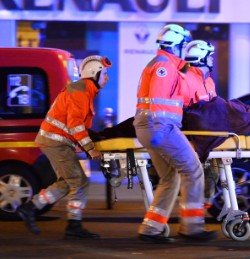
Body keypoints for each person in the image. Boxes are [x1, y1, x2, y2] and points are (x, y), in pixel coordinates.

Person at [133, 24, 218, 243]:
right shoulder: (165, 66)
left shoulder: (165, 65)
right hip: (160, 128)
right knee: (193, 170)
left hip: (150, 127)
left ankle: (150, 229)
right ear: (177, 45)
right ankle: (192, 228)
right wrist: (161, 132)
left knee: (169, 178)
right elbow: (158, 100)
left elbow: (179, 97)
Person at [16, 55, 112, 239]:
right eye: (104, 73)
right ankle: (73, 225)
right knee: (80, 181)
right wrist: (90, 148)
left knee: (68, 183)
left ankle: (30, 208)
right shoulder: (81, 91)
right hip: (56, 142)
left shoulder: (86, 90)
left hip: (56, 141)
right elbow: (75, 125)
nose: (106, 77)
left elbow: (79, 125)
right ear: (94, 73)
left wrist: (89, 140)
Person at [181, 40, 250, 207]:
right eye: (209, 56)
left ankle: (205, 200)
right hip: (199, 130)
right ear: (201, 59)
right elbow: (190, 113)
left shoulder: (208, 81)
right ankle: (201, 205)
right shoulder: (186, 81)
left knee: (245, 110)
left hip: (211, 129)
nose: (212, 59)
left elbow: (216, 110)